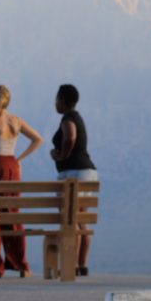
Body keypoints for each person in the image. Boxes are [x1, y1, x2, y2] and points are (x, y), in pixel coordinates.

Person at [0, 85, 43, 278]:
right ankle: (22, 265)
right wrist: (19, 159)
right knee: (13, 215)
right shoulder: (16, 121)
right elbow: (38, 139)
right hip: (12, 168)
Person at [50, 83, 97, 277]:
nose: (55, 103)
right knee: (82, 219)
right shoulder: (78, 117)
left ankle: (72, 265)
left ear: (63, 100)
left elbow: (70, 136)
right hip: (87, 171)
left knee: (72, 219)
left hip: (73, 174)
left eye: (57, 98)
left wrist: (61, 155)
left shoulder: (68, 118)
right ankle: (82, 264)